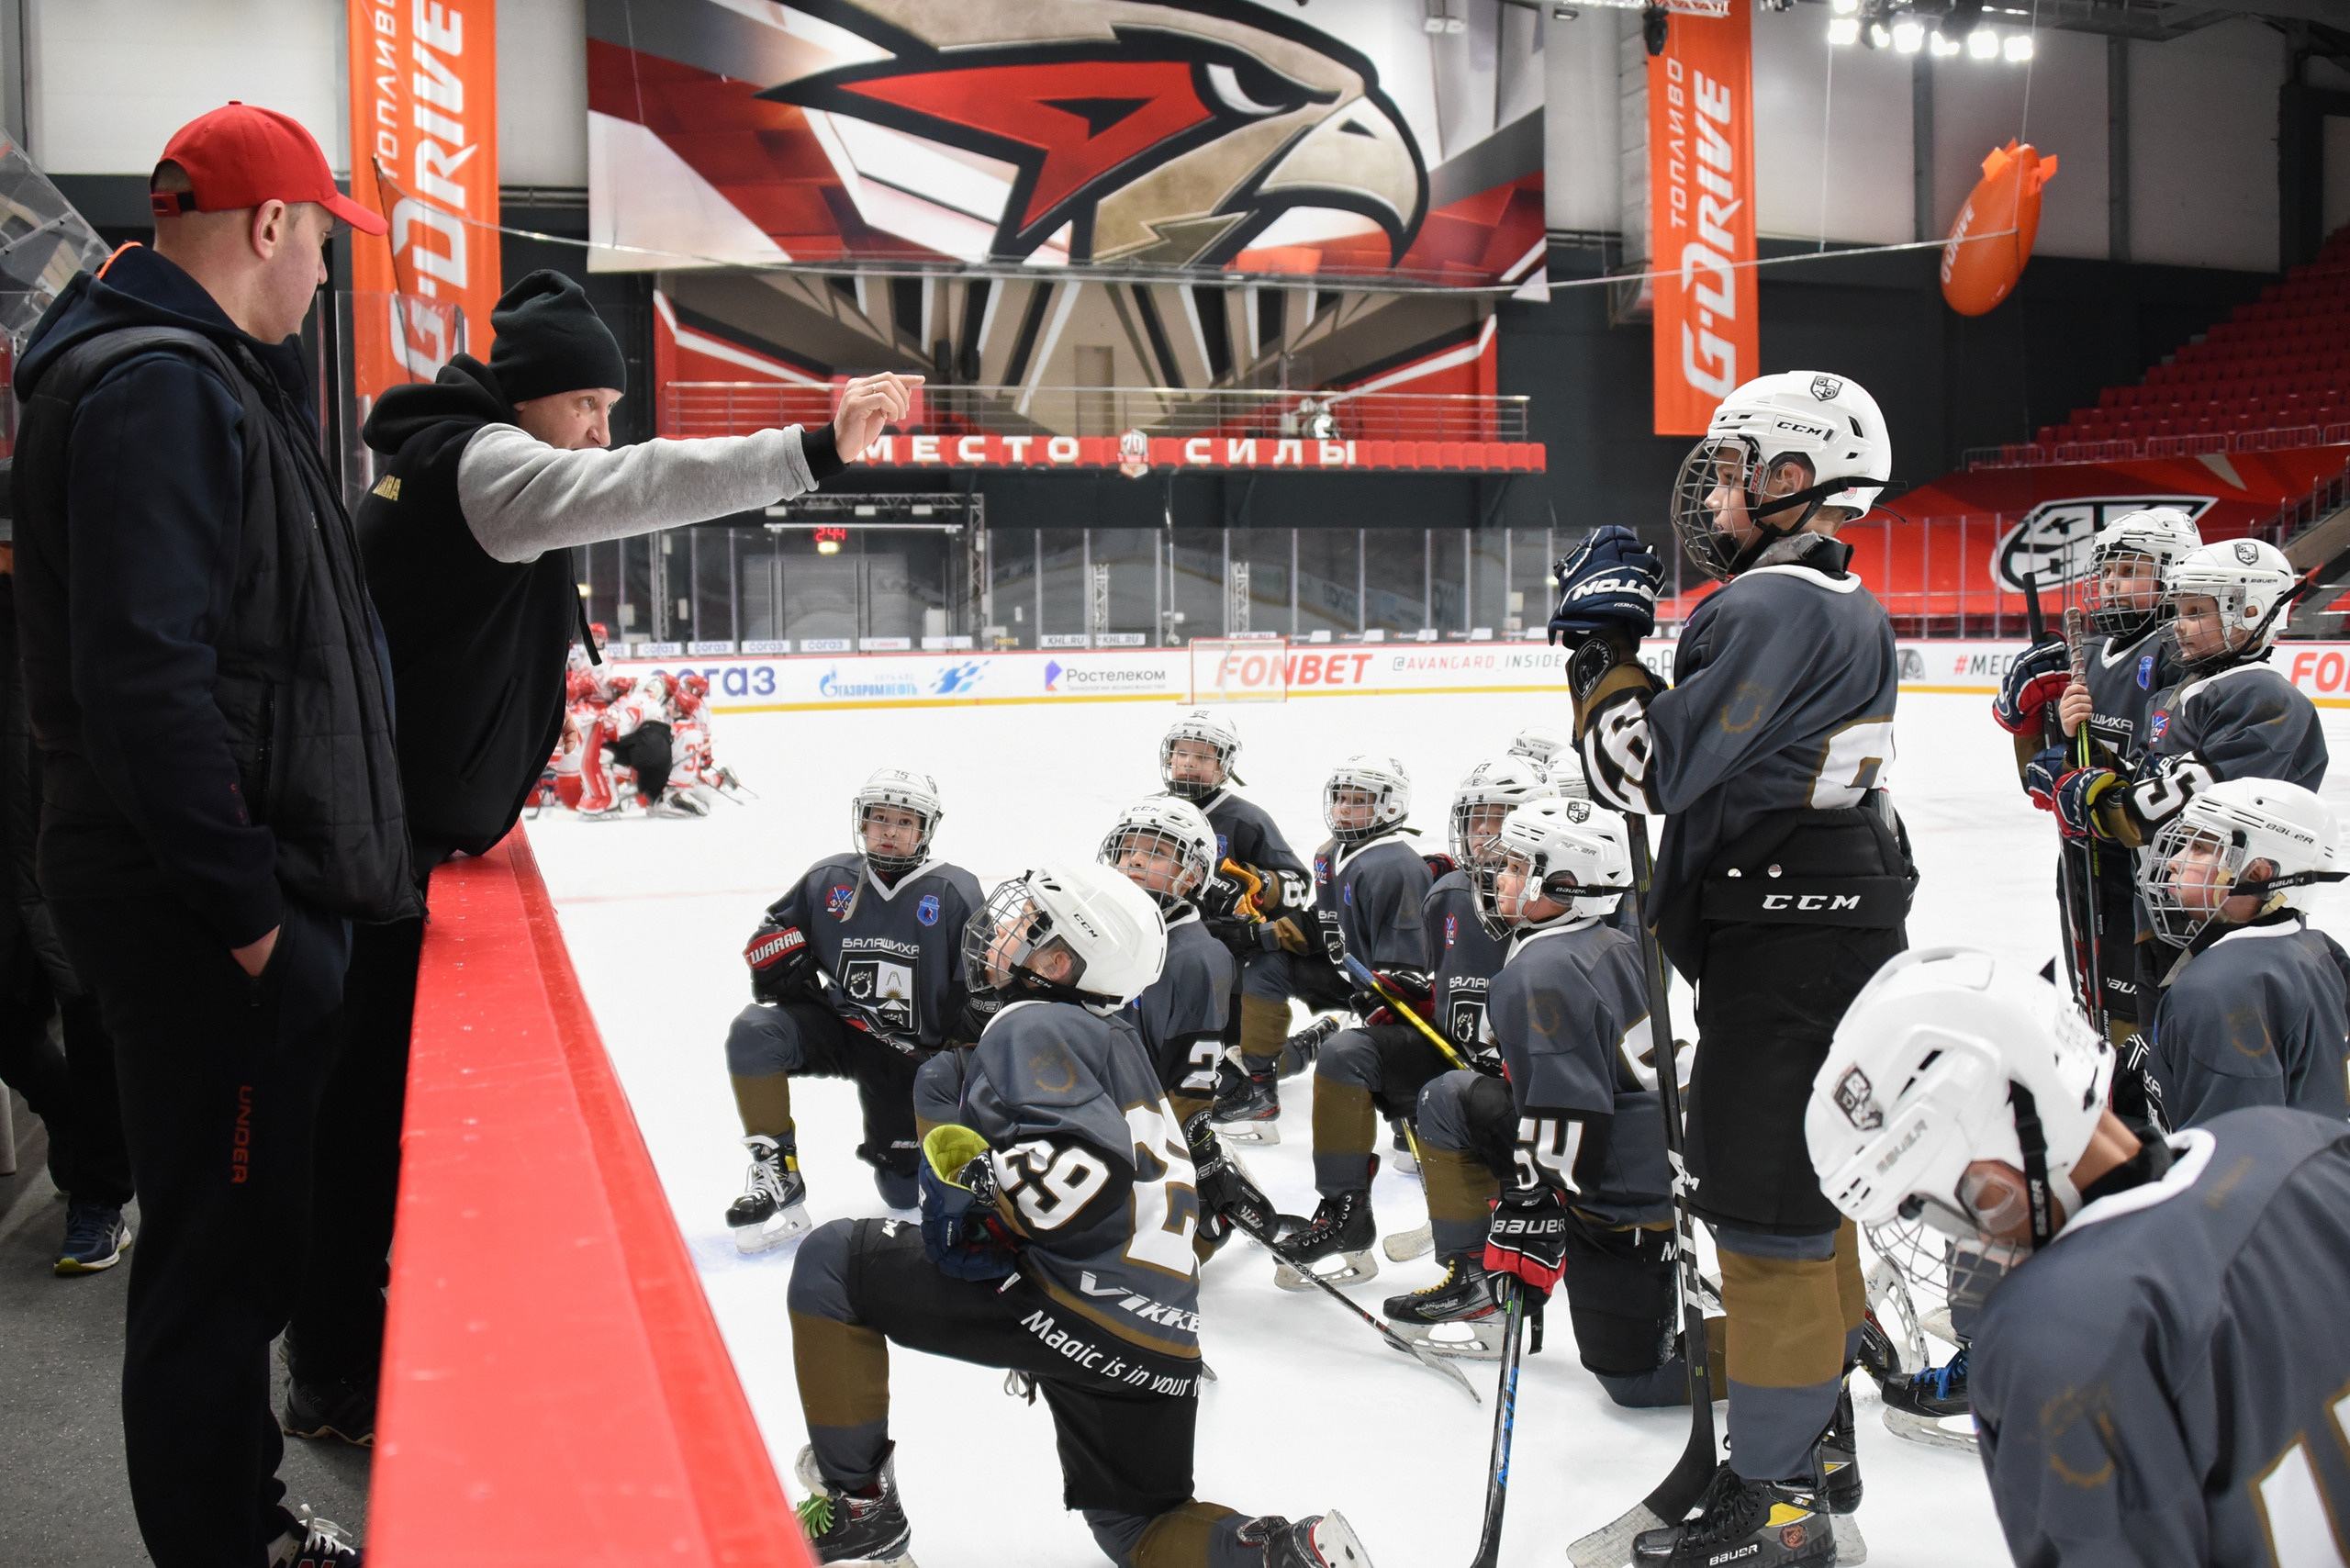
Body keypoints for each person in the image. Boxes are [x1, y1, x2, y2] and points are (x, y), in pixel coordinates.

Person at [285, 269, 916, 1444]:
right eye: (585, 404)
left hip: (388, 831)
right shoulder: (485, 465)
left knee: (358, 1110)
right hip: (380, 845)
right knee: (360, 1116)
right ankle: (328, 1369)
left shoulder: (455, 457)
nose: (599, 431)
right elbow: (644, 484)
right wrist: (814, 449)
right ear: (526, 396)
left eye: (608, 409)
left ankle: (332, 1344)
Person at [13, 103, 417, 1567]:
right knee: (214, 1266)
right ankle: (222, 1544)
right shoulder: (158, 390)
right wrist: (253, 920)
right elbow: (146, 685)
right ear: (268, 225)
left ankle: (243, 1515)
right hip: (206, 919)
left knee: (242, 1252)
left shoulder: (197, 377)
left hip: (222, 902)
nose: (323, 273)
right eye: (321, 242)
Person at [1551, 371, 1911, 1566]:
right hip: (1818, 934)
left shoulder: (1775, 602)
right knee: (1807, 1198)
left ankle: (1784, 1504)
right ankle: (1812, 1446)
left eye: (1736, 468)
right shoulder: (1830, 598)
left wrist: (1602, 647)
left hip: (1790, 947)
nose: (1715, 493)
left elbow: (1641, 769)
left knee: (1768, 1221)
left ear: (1794, 476)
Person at [787, 859, 1374, 1568]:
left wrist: (985, 1196)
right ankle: (1284, 1553)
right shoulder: (1115, 1037)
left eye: (1028, 927)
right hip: (1164, 1336)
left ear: (1059, 961)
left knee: (833, 1262)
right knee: (1137, 1526)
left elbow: (1088, 1167)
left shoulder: (1031, 1022)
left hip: (1072, 1301)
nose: (1002, 933)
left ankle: (859, 1510)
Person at [1807, 946, 2350, 1568]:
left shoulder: (2056, 1339)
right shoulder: (2303, 1144)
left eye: (1933, 1206)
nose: (1956, 1236)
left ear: (1997, 1161)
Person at [1402, 803, 1737, 1423]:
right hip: (1660, 1142)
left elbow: (1569, 1112)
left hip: (1626, 1189)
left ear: (1564, 885)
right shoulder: (1605, 940)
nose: (1498, 877)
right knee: (1448, 1097)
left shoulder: (1541, 972)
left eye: (1516, 867)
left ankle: (1802, 1349)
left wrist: (1533, 1206)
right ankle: (1474, 1279)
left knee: (1634, 1378)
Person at [722, 767, 986, 1250]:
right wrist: (776, 953)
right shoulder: (828, 879)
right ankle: (776, 1174)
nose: (889, 831)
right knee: (755, 1031)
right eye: (879, 818)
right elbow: (772, 934)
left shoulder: (953, 891)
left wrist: (951, 1067)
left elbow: (980, 990)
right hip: (844, 1029)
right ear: (861, 822)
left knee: (901, 1192)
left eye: (904, 822)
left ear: (925, 830)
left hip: (913, 1057)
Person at [1992, 507, 2199, 1039]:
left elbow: (2163, 771)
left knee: (2143, 1022)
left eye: (2129, 571)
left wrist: (2085, 772)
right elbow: (2046, 776)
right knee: (2092, 1005)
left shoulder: (2179, 654)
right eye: (2105, 571)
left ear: (2173, 575)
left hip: (2149, 874)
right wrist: (2037, 730)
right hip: (2083, 863)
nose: (2110, 583)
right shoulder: (2082, 651)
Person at [1096, 794, 1284, 1261]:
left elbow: (1190, 1084)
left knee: (1157, 1253)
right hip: (1100, 1097)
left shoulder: (1195, 958)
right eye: (1127, 849)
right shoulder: (1102, 928)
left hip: (1145, 1118)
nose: (1134, 861)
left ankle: (1215, 1212)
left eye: (1157, 852)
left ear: (1194, 875)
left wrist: (1195, 1155)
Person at [1268, 756, 1432, 1289]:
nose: (1344, 809)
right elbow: (1330, 932)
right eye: (1340, 798)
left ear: (1390, 807)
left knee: (1353, 1059)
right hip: (1357, 989)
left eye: (1359, 801)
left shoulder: (1395, 866)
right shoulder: (1329, 854)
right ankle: (1345, 1208)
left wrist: (1378, 1004)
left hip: (1402, 1008)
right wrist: (1261, 932)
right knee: (1261, 964)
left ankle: (1450, 1203)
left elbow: (1408, 972)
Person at [2134, 777, 2349, 1127]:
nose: (2174, 861)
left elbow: (2235, 1147)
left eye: (2199, 847)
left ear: (2258, 873)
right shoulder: (2317, 949)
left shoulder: (2218, 990)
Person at [1155, 711, 1326, 1140]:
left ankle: (1301, 1049)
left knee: (1226, 1069)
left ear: (1224, 764)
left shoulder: (1245, 819)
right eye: (1182, 754)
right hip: (1161, 955)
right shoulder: (1150, 811)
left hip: (1228, 963)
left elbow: (1297, 885)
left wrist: (1261, 883)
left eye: (1202, 756)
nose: (1189, 763)